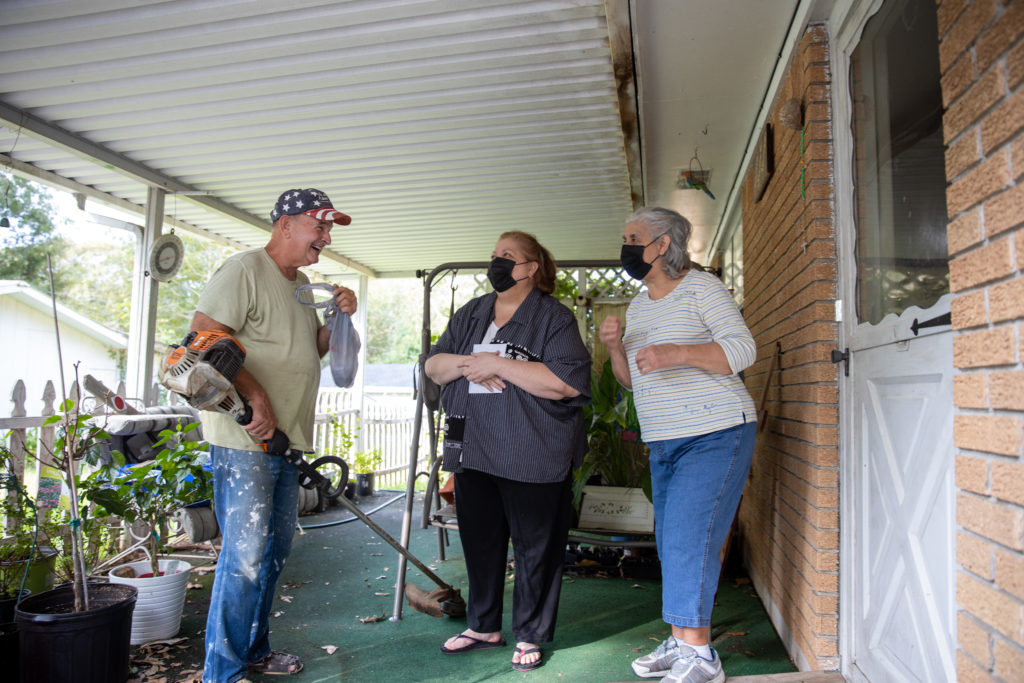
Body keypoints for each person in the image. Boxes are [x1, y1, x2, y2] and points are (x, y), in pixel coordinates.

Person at [194, 188, 358, 683]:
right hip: (244, 434)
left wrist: (338, 317)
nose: (326, 238)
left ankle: (254, 651)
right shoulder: (243, 269)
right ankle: (221, 672)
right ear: (286, 224)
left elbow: (309, 349)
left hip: (287, 438)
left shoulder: (302, 283)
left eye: (329, 230)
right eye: (319, 227)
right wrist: (254, 395)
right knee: (244, 557)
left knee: (272, 552)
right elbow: (204, 337)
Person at [598, 207, 757, 683]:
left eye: (633, 237)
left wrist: (678, 353)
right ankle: (682, 641)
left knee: (692, 542)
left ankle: (701, 658)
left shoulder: (703, 288)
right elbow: (632, 383)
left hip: (716, 433)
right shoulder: (640, 304)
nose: (625, 246)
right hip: (665, 441)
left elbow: (742, 349)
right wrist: (612, 348)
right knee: (672, 545)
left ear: (663, 244)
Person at [425, 231, 591, 672]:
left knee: (536, 548)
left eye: (507, 256)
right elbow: (433, 364)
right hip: (474, 447)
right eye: (494, 254)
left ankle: (531, 633)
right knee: (480, 542)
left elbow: (565, 383)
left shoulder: (553, 319)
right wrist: (467, 364)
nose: (495, 262)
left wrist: (498, 364)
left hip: (531, 450)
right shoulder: (473, 313)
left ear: (531, 268)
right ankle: (483, 627)